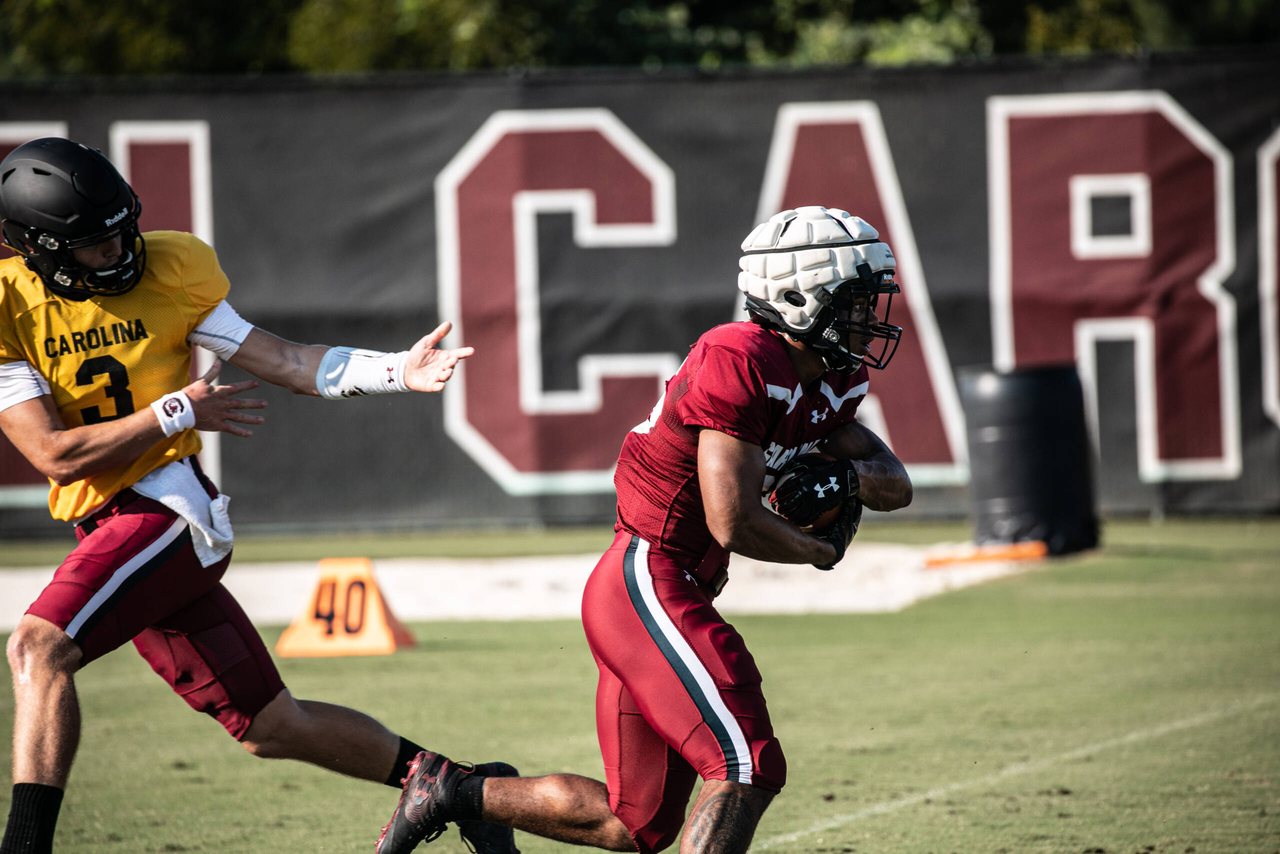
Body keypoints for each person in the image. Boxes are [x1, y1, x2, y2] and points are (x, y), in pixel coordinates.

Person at [0, 137, 518, 854]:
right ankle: (460, 788)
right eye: (96, 243)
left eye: (126, 227)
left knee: (37, 646)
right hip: (103, 518)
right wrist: (176, 410)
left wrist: (398, 370)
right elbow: (54, 456)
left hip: (165, 510)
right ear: (43, 250)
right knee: (273, 728)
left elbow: (288, 360)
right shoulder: (9, 306)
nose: (121, 249)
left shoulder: (174, 267)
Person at [373, 205, 913, 854]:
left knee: (636, 824)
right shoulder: (739, 356)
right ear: (799, 295)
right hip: (648, 579)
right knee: (744, 764)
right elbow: (731, 517)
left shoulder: (828, 377)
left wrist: (847, 483)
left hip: (665, 585)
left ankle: (455, 790)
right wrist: (818, 549)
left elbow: (892, 477)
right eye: (853, 301)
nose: (868, 318)